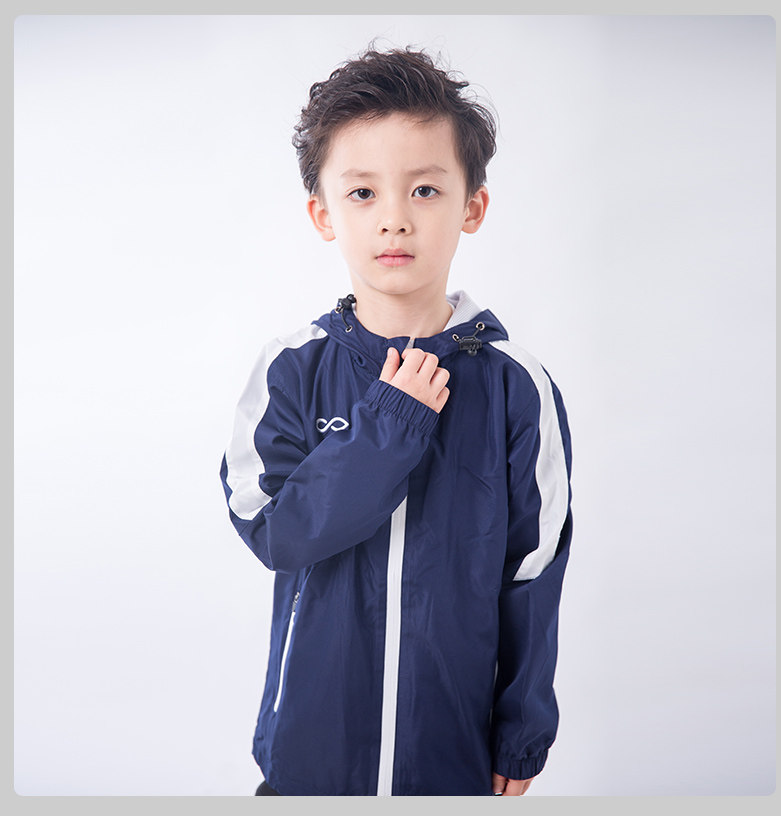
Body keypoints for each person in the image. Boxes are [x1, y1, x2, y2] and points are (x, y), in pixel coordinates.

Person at [219, 45, 573, 797]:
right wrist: (390, 424)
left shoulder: (517, 386)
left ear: (472, 206)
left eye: (424, 190)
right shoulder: (290, 370)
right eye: (362, 193)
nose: (394, 220)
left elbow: (534, 569)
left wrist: (521, 730)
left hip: (449, 758)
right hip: (309, 753)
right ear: (323, 214)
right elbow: (275, 533)